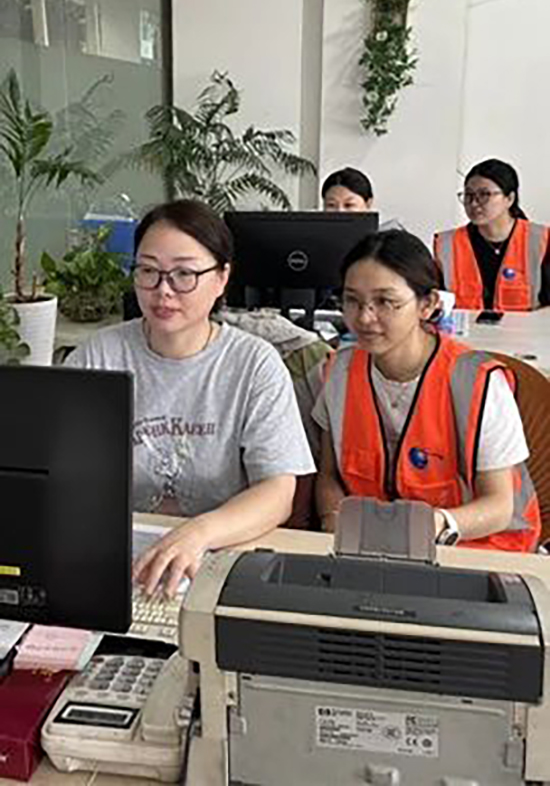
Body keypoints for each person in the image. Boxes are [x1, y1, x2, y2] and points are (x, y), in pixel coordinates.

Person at [66, 199, 315, 595]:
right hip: (119, 559)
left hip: (219, 556)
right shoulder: (99, 356)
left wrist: (198, 533)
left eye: (184, 274)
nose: (163, 290)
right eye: (148, 271)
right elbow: (59, 474)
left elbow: (277, 493)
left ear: (221, 278)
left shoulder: (254, 364)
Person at [313, 229, 541, 551]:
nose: (364, 317)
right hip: (372, 549)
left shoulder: (477, 382)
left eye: (385, 302)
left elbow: (500, 506)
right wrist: (332, 517)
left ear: (427, 304)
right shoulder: (339, 372)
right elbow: (329, 476)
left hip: (474, 548)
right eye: (352, 300)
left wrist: (438, 523)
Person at [434, 158, 550, 310]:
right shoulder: (446, 244)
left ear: (510, 199)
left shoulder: (541, 240)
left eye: (484, 194)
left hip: (530, 326)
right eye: (468, 195)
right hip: (464, 325)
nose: (474, 203)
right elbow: (435, 301)